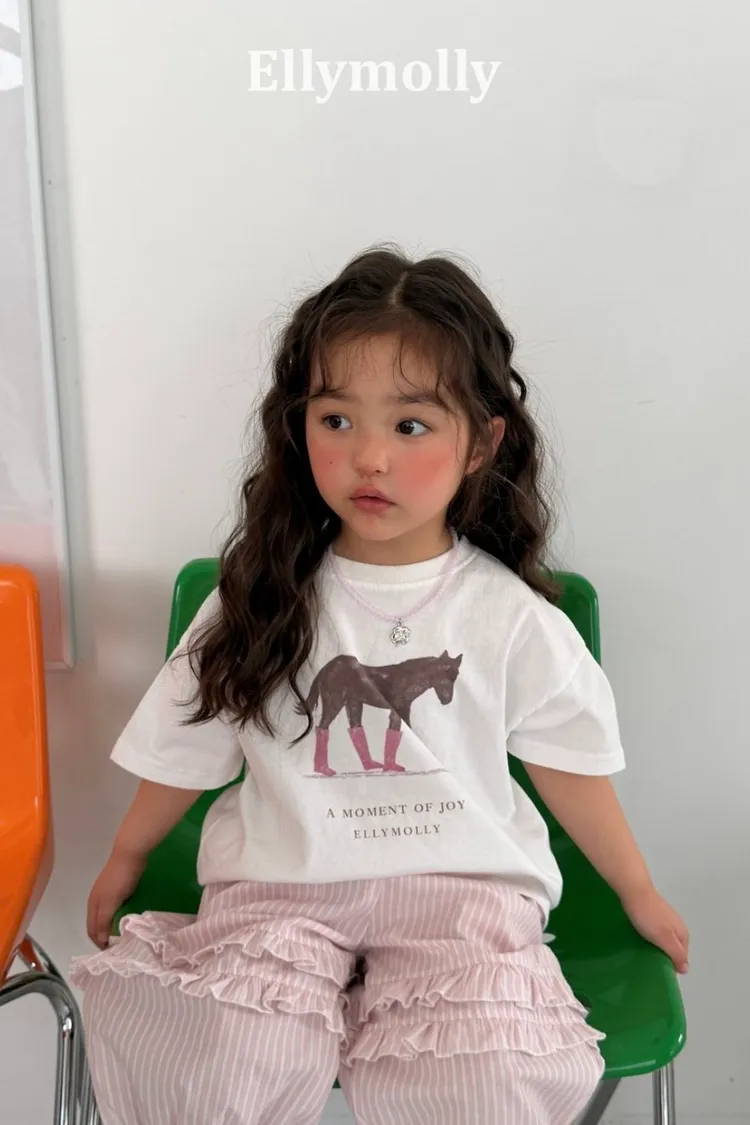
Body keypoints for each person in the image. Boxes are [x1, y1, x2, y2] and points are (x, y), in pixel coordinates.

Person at [71, 246, 689, 1125]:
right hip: (282, 887)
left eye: (410, 426)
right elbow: (186, 740)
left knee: (480, 1077)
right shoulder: (260, 598)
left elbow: (571, 768)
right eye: (336, 419)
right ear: (299, 428)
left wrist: (637, 890)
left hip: (461, 896)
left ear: (482, 443)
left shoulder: (509, 617)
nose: (368, 457)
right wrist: (127, 856)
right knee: (227, 1047)